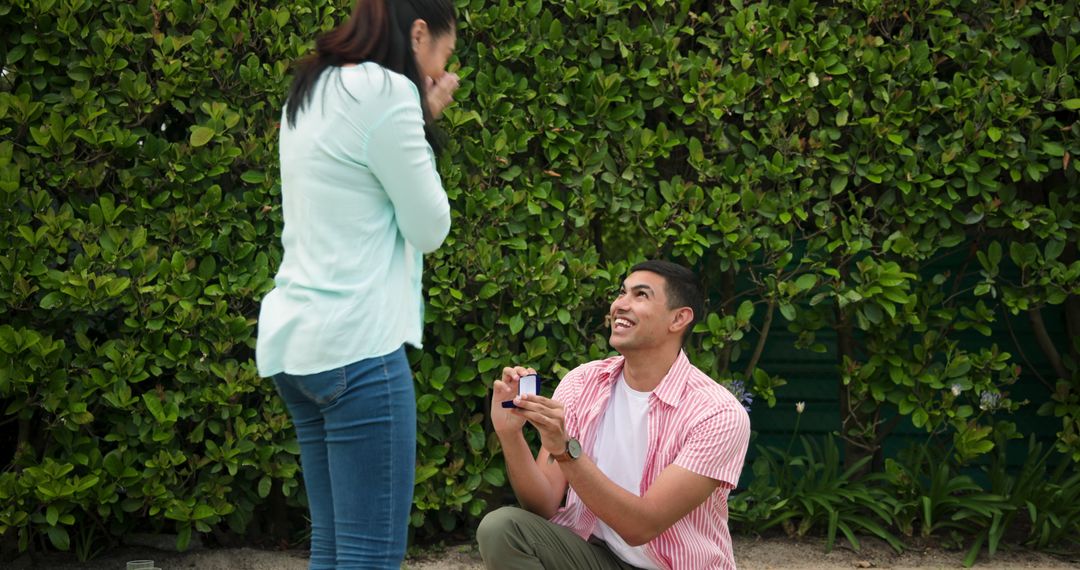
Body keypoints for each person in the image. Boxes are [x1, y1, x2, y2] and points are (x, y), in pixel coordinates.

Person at [254, 0, 459, 568]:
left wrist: (418, 118)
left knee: (334, 548)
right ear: (419, 35)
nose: (441, 76)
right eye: (443, 58)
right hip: (357, 350)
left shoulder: (314, 85)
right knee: (370, 556)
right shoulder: (387, 93)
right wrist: (420, 118)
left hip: (298, 346)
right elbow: (429, 226)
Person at [478, 260, 752, 569]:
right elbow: (542, 505)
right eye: (621, 292)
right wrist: (509, 434)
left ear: (678, 319)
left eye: (640, 295)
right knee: (502, 527)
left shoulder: (718, 413)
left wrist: (566, 451)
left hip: (672, 566)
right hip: (598, 556)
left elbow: (642, 527)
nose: (620, 305)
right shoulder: (582, 383)